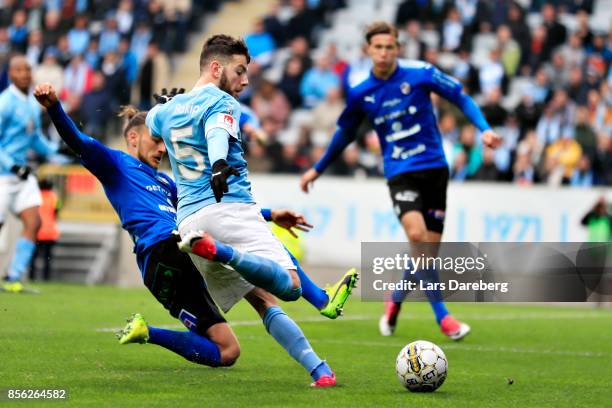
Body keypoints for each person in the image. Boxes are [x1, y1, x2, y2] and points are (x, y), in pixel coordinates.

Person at [35, 83, 352, 387]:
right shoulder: (115, 165)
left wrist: (270, 215)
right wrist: (54, 108)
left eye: (164, 141)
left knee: (229, 350)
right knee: (258, 270)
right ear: (132, 137)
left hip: (182, 251)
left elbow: (212, 208)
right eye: (155, 140)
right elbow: (78, 140)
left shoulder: (166, 184)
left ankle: (149, 332)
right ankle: (320, 300)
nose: (162, 148)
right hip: (164, 253)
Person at [147, 34, 358, 387]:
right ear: (216, 68)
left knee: (263, 300)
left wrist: (171, 104)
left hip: (188, 222)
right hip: (226, 208)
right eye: (240, 71)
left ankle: (319, 370)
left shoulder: (165, 112)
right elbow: (217, 132)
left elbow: (152, 121)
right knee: (290, 286)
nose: (245, 81)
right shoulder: (225, 103)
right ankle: (225, 252)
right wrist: (217, 165)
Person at [300, 22, 502, 340]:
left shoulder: (420, 73)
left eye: (389, 46)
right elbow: (345, 134)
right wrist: (318, 168)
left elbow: (460, 96)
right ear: (368, 50)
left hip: (435, 169)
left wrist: (484, 128)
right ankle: (444, 318)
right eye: (377, 47)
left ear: (398, 48)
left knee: (425, 254)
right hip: (400, 172)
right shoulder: (361, 93)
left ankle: (394, 300)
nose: (383, 52)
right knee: (418, 236)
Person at [0, 55, 58, 293]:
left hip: (22, 176)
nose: (25, 74)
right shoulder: (4, 102)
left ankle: (13, 278)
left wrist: (59, 151)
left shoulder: (32, 103)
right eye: (19, 70)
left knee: (34, 222)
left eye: (27, 70)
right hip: (3, 175)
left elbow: (35, 139)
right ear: (11, 74)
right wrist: (12, 165)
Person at [29, 178, 61, 281]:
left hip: (37, 231)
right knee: (47, 258)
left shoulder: (35, 197)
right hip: (50, 232)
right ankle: (46, 278)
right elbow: (57, 212)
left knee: (33, 257)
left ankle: (32, 277)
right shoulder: (54, 197)